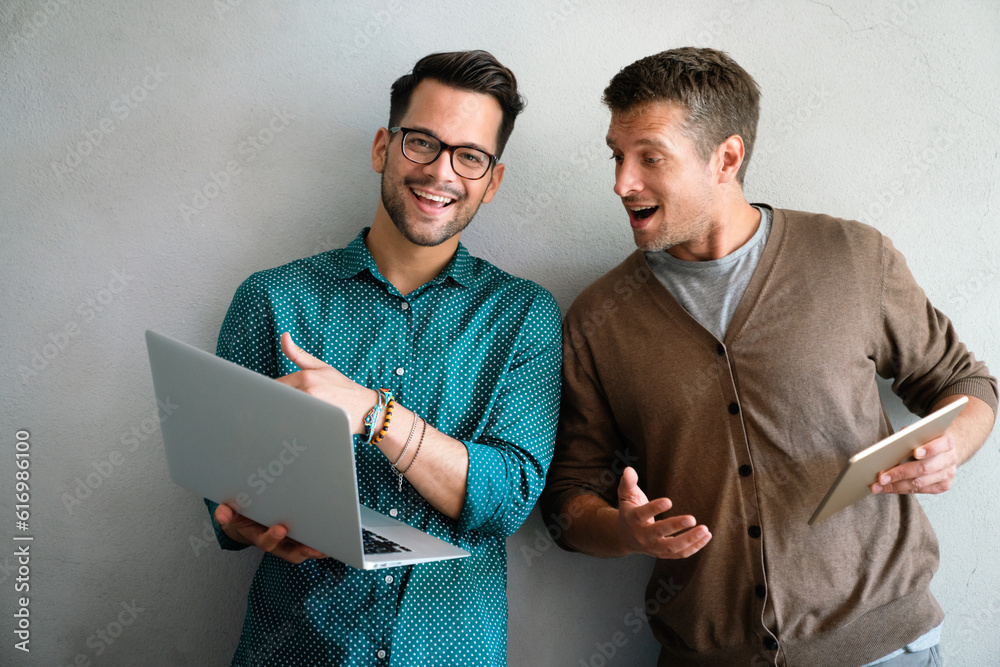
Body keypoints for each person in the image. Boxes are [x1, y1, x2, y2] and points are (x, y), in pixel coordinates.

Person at [541, 47, 996, 667]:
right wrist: (623, 531)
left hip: (887, 651)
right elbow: (568, 501)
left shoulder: (852, 256)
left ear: (726, 158)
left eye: (650, 158)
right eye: (617, 157)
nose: (622, 183)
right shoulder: (598, 316)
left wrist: (950, 446)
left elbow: (965, 383)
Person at [206, 50, 561, 666]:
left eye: (470, 156)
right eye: (421, 142)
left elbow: (508, 499)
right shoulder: (269, 298)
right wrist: (239, 522)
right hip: (296, 651)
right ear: (383, 148)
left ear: (492, 181)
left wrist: (376, 414)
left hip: (452, 651)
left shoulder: (525, 315)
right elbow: (223, 488)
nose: (441, 172)